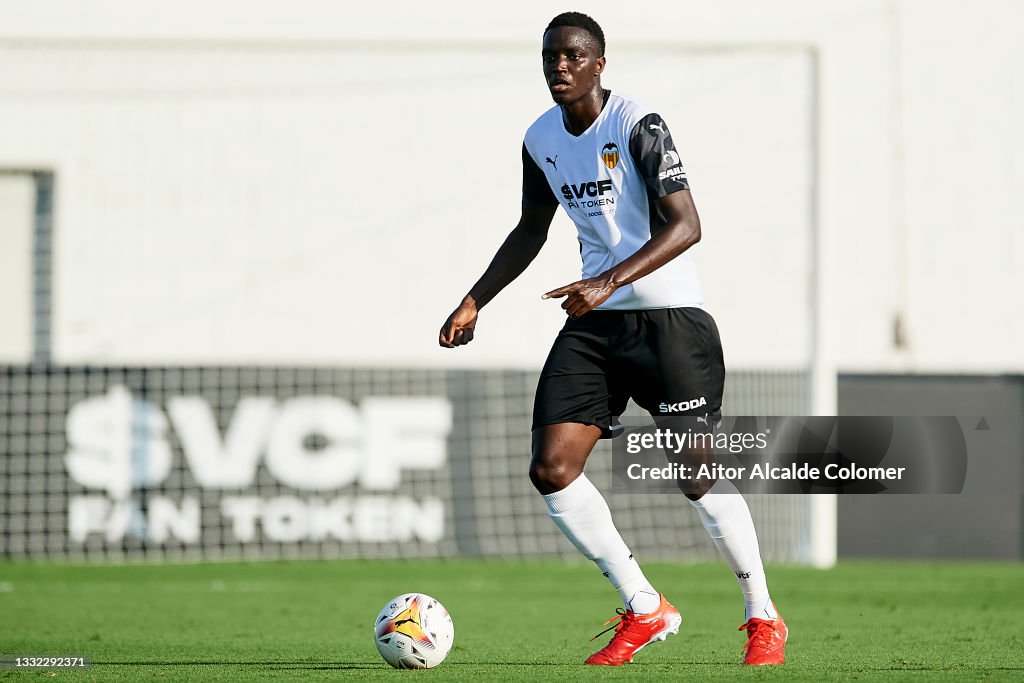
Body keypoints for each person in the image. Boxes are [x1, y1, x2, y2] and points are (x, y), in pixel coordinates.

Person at [439, 11, 787, 667]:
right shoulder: (540, 138)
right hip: (596, 325)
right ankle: (644, 604)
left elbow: (687, 225)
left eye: (572, 56)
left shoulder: (638, 124)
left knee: (695, 473)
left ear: (600, 63)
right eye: (550, 58)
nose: (559, 68)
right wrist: (475, 298)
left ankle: (763, 615)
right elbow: (530, 229)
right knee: (551, 467)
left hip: (669, 319)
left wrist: (608, 278)